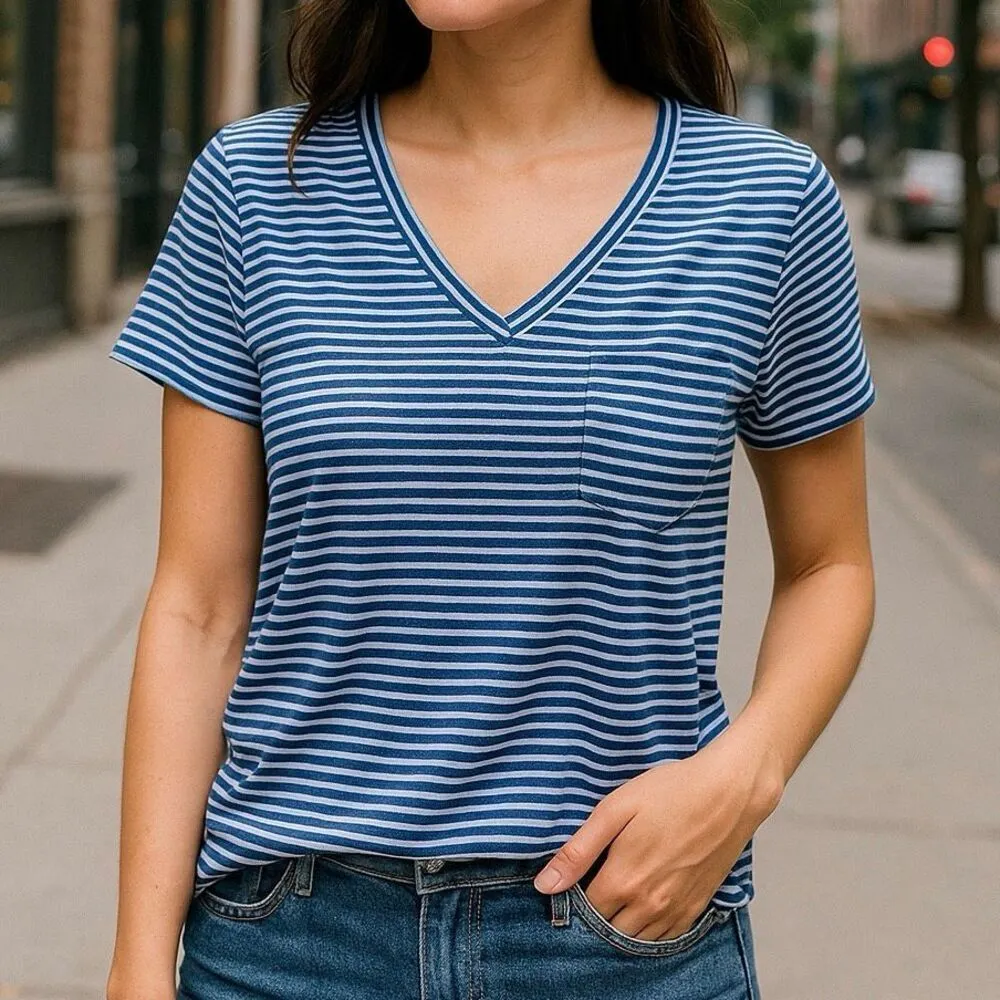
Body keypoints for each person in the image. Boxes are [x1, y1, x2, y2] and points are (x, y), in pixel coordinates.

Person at [104, 1, 878, 998]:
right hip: (287, 943)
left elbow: (831, 563)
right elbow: (197, 607)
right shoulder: (255, 186)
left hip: (623, 935)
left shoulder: (762, 201)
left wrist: (745, 775)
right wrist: (135, 960)